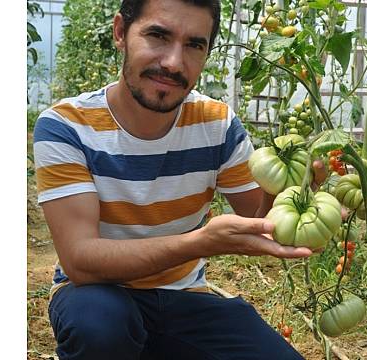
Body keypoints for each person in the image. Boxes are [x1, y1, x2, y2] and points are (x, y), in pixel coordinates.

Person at [33, 0, 327, 358]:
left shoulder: (216, 124)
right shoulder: (66, 126)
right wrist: (201, 242)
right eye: (158, 35)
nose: (174, 62)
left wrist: (296, 190)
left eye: (194, 45)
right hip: (95, 293)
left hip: (183, 297)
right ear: (120, 33)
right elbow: (81, 260)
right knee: (99, 326)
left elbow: (259, 222)